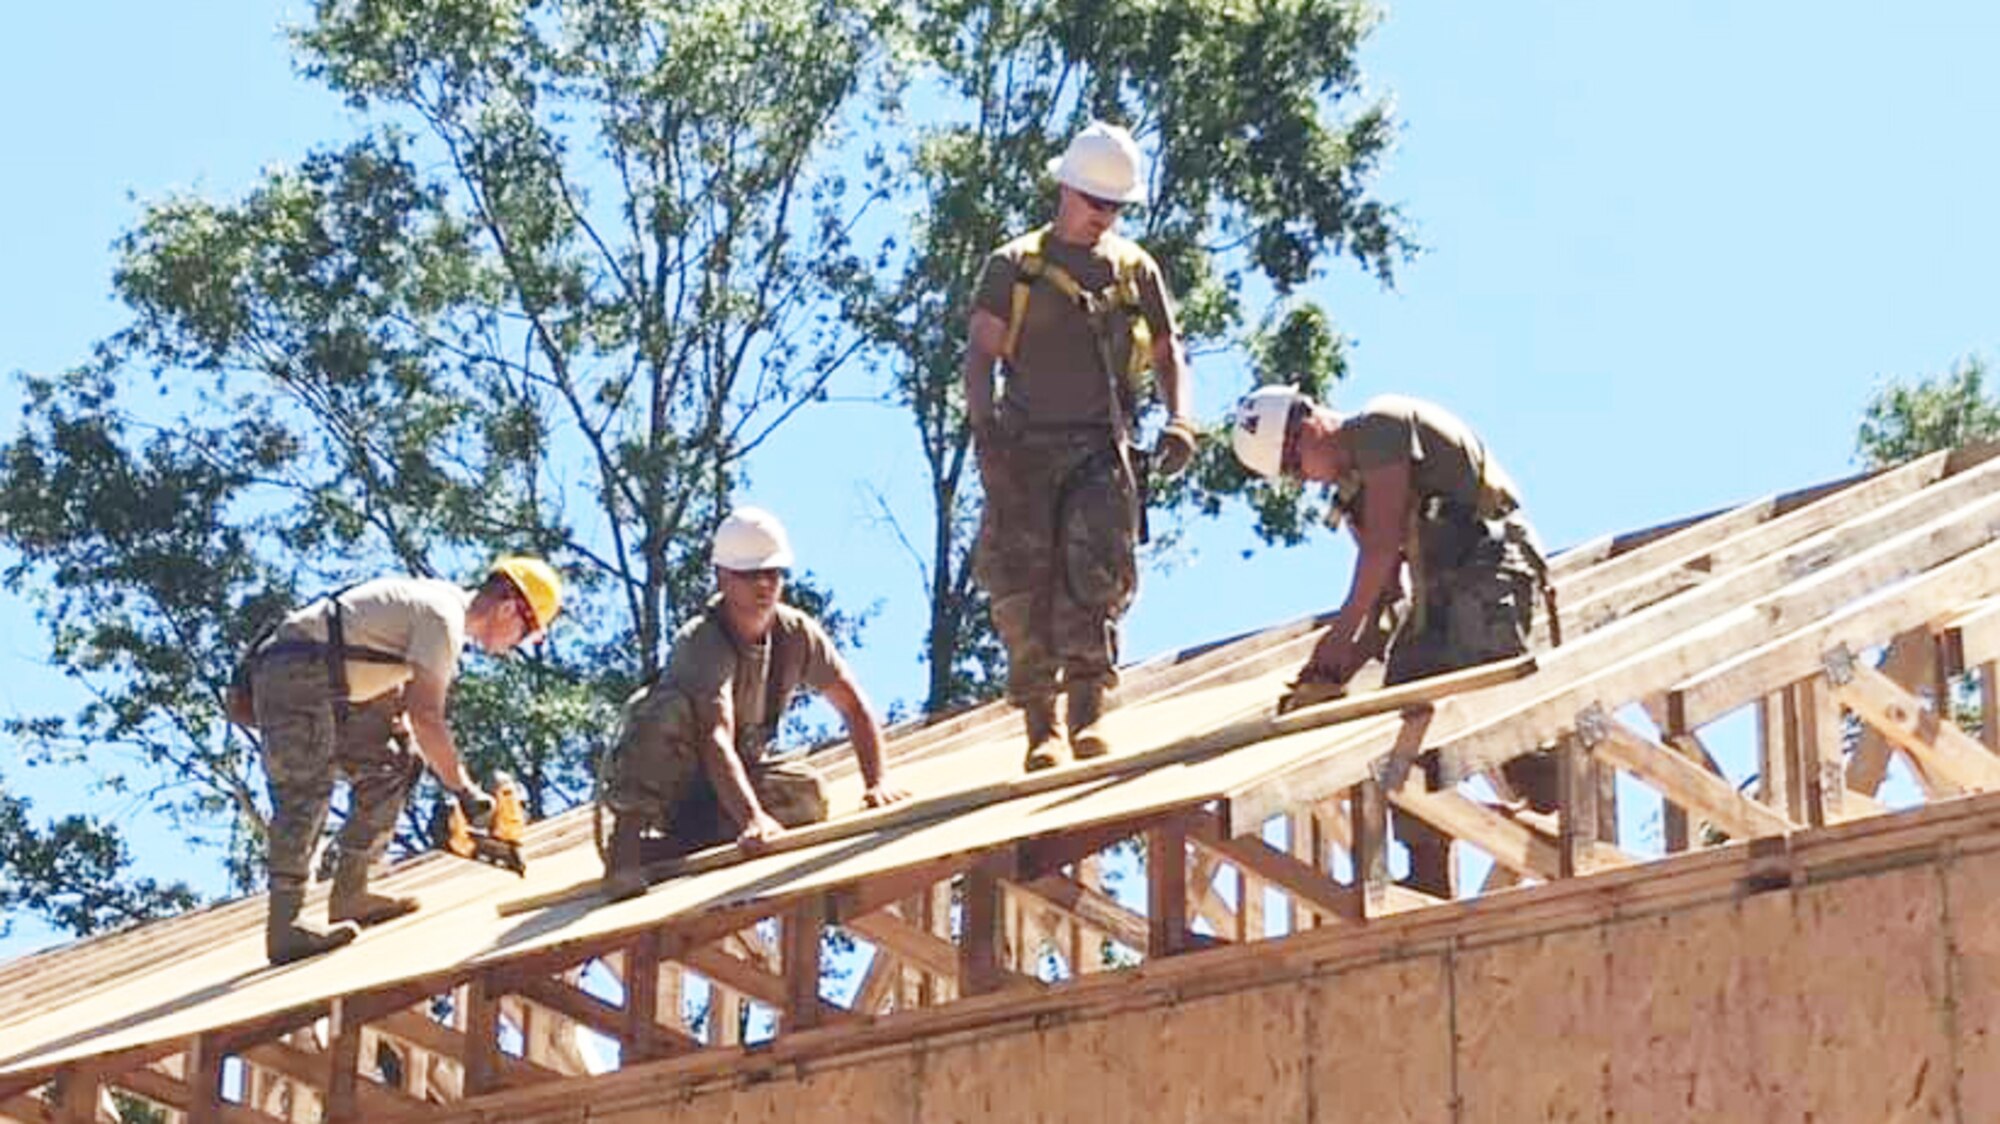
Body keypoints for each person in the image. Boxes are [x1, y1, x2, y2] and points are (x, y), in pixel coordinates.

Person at [1231, 386, 1556, 896]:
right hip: (1437, 587)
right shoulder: (1351, 493)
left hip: (1491, 563)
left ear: (1307, 426)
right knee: (1403, 694)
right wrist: (1333, 672)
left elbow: (1382, 549)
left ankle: (1554, 804)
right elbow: (1383, 601)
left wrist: (1335, 639)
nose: (1304, 476)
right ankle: (1427, 865)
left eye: (1295, 463)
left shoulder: (1381, 427)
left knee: (1491, 685)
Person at [964, 120, 1198, 772]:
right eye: (1098, 203)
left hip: (1101, 448)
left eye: (1117, 207)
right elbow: (980, 356)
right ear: (1066, 190)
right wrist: (986, 438)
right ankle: (1042, 728)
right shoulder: (1015, 268)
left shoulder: (1132, 270)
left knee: (1094, 584)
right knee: (1022, 588)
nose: (1106, 217)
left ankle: (1088, 716)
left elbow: (1167, 350)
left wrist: (1182, 420)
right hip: (1025, 450)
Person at [248, 558, 563, 965]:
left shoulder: (438, 611)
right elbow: (427, 716)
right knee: (306, 787)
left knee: (395, 759)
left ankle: (351, 892)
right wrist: (466, 793)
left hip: (332, 675)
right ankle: (285, 928)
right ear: (507, 609)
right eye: (525, 632)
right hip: (295, 669)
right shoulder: (441, 617)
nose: (516, 644)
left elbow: (407, 715)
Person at [601, 508, 909, 900]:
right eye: (750, 575)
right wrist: (752, 819)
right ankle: (627, 846)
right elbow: (715, 737)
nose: (764, 584)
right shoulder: (702, 643)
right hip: (674, 785)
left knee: (806, 798)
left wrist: (876, 782)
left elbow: (852, 705)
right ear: (723, 577)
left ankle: (676, 847)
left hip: (730, 783)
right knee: (664, 712)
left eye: (774, 573)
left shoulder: (796, 634)